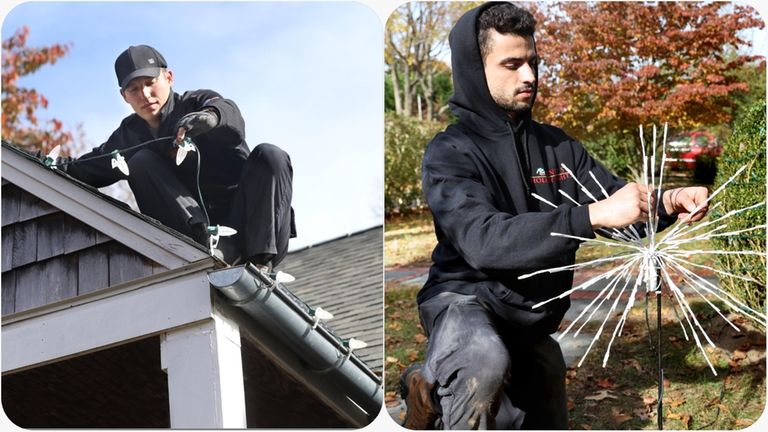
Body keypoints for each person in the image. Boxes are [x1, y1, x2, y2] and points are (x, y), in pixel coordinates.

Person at [401, 3, 709, 430]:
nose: (529, 76)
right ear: (476, 69)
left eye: (532, 62)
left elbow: (620, 205)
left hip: (528, 315)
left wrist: (670, 200)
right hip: (464, 301)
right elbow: (484, 241)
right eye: (511, 64)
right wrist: (588, 217)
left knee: (541, 404)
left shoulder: (559, 148)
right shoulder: (449, 152)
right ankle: (432, 383)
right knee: (483, 362)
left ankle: (429, 380)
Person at [63, 44, 296, 269]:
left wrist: (212, 117)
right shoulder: (128, 135)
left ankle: (260, 264)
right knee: (140, 161)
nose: (144, 94)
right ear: (124, 96)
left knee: (270, 155)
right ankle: (201, 249)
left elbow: (229, 111)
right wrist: (33, 159)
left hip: (247, 226)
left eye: (150, 83)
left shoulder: (195, 102)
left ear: (169, 78)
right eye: (134, 89)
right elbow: (84, 169)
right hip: (197, 236)